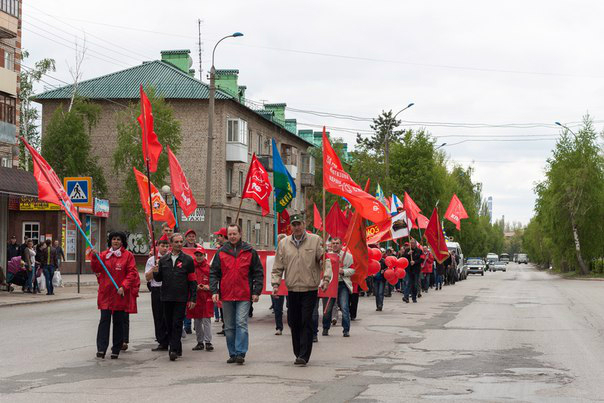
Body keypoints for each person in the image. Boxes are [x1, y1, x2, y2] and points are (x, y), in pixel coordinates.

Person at [271, 214, 331, 366]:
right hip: (292, 288)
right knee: (293, 321)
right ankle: (297, 351)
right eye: (294, 224)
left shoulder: (315, 240)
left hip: (309, 288)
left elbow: (325, 261)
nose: (297, 227)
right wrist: (276, 284)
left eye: (299, 224)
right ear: (290, 226)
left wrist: (326, 279)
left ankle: (304, 355)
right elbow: (277, 266)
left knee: (306, 321)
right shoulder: (284, 243)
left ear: (304, 224)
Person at [210, 224, 264, 365]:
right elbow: (214, 273)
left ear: (240, 234)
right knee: (228, 326)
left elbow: (258, 272)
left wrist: (256, 291)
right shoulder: (221, 252)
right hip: (226, 295)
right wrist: (214, 291)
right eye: (230, 234)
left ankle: (241, 353)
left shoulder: (250, 251)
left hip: (244, 294)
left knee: (241, 323)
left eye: (235, 233)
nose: (233, 236)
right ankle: (232, 353)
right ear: (227, 235)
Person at [90, 231, 139, 359]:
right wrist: (94, 257)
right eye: (113, 239)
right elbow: (96, 269)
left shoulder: (128, 256)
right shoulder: (104, 255)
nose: (116, 241)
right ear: (110, 241)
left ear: (122, 241)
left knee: (118, 322)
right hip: (105, 294)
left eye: (118, 239)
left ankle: (116, 349)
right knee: (104, 321)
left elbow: (132, 273)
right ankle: (101, 349)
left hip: (119, 294)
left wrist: (124, 286)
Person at [153, 233, 197, 361]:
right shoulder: (163, 260)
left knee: (177, 323)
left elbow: (192, 281)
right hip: (166, 297)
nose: (179, 244)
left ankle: (173, 349)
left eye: (180, 242)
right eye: (176, 242)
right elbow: (159, 278)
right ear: (171, 244)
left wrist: (193, 298)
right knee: (169, 324)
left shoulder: (188, 260)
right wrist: (156, 271)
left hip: (180, 297)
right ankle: (178, 347)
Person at [321, 237, 354, 337]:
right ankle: (325, 328)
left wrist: (343, 271)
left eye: (337, 243)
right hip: (330, 284)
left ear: (341, 245)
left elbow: (353, 270)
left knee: (344, 307)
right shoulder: (326, 256)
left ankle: (346, 330)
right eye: (333, 243)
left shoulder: (348, 256)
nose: (335, 245)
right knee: (327, 308)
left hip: (342, 284)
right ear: (331, 244)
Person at [188, 247, 214, 351]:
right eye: (197, 255)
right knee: (197, 320)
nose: (199, 257)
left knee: (206, 319)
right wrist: (195, 287)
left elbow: (214, 281)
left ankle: (208, 342)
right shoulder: (191, 267)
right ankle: (200, 342)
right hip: (196, 297)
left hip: (206, 297)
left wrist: (208, 287)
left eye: (201, 255)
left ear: (204, 255)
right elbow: (188, 281)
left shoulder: (209, 267)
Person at [145, 239, 169, 351]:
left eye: (166, 246)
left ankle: (170, 339)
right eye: (162, 245)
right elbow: (147, 277)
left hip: (168, 289)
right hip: (156, 289)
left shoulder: (170, 259)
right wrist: (153, 271)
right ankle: (161, 341)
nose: (165, 248)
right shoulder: (152, 259)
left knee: (168, 316)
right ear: (158, 246)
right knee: (158, 316)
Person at [272, 233, 288, 335]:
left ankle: (292, 324)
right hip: (278, 283)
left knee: (291, 307)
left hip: (290, 283)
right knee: (277, 308)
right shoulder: (274, 254)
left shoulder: (291, 253)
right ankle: (279, 327)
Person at [401, 238, 422, 303]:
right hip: (409, 269)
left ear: (415, 244)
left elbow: (421, 259)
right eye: (411, 243)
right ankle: (406, 297)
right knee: (408, 283)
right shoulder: (407, 250)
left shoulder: (419, 251)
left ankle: (414, 297)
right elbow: (403, 257)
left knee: (415, 284)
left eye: (413, 243)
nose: (412, 244)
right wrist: (408, 254)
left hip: (416, 270)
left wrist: (415, 262)